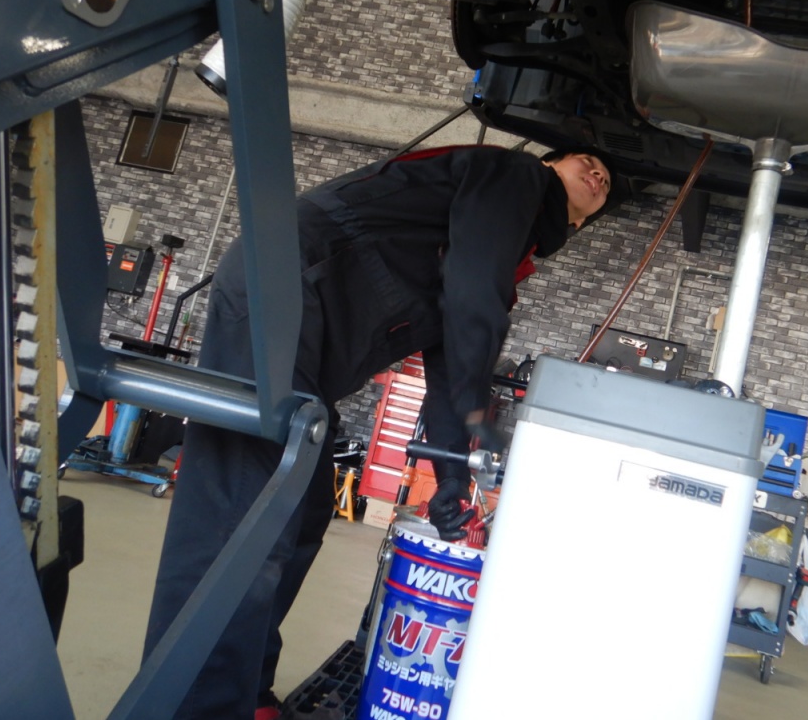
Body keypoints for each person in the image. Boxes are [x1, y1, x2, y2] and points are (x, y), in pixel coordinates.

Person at [143, 144, 614, 719]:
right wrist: (476, 416)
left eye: (606, 181)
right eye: (587, 162)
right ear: (550, 164)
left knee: (302, 509)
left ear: (581, 224)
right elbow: (472, 298)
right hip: (286, 287)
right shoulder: (514, 175)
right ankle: (195, 708)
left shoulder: (499, 239)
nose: (598, 174)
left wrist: (450, 471)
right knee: (243, 509)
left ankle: (246, 691)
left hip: (306, 326)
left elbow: (450, 353)